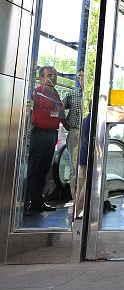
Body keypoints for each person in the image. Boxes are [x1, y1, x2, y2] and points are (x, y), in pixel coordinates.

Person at [24, 65, 63, 215]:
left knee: (43, 170)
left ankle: (37, 202)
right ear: (41, 78)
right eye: (49, 75)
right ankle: (26, 202)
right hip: (40, 133)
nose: (53, 78)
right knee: (34, 169)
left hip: (51, 134)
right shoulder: (38, 92)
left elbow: (58, 112)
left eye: (55, 75)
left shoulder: (55, 93)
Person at [61, 67, 84, 215]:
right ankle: (76, 199)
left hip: (91, 134)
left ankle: (88, 198)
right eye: (80, 76)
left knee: (92, 165)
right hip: (75, 132)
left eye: (84, 75)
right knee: (75, 166)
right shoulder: (72, 94)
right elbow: (59, 109)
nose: (82, 78)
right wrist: (66, 125)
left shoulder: (96, 95)